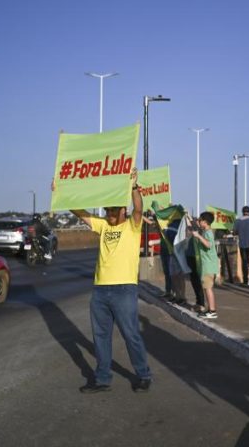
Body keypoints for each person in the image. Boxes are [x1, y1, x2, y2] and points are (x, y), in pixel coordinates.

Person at [59, 168, 153, 393]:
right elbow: (80, 213)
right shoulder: (102, 225)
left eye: (113, 209)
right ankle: (102, 379)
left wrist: (132, 186)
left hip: (124, 289)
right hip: (100, 291)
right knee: (100, 337)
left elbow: (139, 208)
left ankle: (143, 375)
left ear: (123, 210)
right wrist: (61, 193)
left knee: (130, 334)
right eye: (107, 209)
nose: (109, 212)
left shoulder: (132, 225)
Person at [190, 211, 219, 319]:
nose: (198, 221)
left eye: (200, 220)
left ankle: (212, 311)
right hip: (207, 265)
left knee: (208, 288)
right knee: (207, 288)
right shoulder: (205, 231)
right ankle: (210, 310)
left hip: (208, 265)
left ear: (205, 222)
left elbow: (208, 244)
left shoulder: (208, 233)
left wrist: (198, 236)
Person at [233, 205, 249, 286]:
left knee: (244, 263)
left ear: (242, 212)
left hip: (243, 245)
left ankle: (245, 281)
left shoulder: (237, 221)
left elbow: (234, 232)